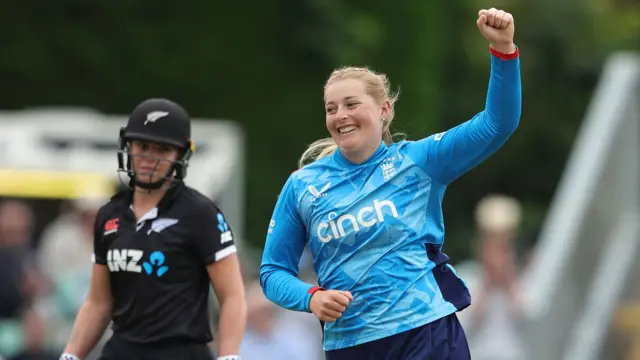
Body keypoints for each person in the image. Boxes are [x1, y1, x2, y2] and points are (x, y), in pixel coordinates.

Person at [260, 8, 521, 360]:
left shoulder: (418, 161)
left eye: (351, 104)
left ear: (384, 109)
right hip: (352, 346)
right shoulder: (303, 186)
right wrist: (312, 297)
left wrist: (503, 50)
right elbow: (273, 271)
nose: (340, 116)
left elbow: (497, 124)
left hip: (426, 333)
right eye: (331, 108)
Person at [59, 99, 247, 360]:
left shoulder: (200, 214)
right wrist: (71, 355)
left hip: (180, 352)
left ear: (180, 154)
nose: (149, 157)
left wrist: (229, 355)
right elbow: (98, 302)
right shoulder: (108, 215)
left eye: (161, 149)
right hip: (122, 351)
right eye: (142, 146)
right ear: (128, 146)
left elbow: (232, 296)